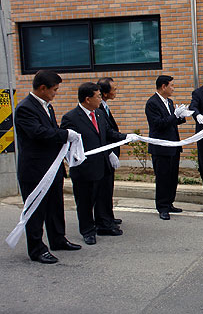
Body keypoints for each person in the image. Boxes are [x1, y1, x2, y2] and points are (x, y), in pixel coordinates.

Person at [15, 70, 81, 264]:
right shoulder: (25, 108)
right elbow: (39, 133)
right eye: (54, 89)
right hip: (35, 170)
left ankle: (58, 239)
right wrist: (65, 135)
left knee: (55, 205)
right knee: (36, 210)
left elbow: (51, 130)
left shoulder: (47, 107)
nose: (56, 93)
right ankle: (36, 249)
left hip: (52, 167)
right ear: (42, 88)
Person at [61, 82, 128, 245]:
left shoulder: (98, 114)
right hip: (85, 168)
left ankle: (104, 225)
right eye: (98, 96)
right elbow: (67, 145)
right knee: (85, 201)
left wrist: (127, 137)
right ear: (87, 99)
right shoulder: (71, 118)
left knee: (103, 197)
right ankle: (87, 231)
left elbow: (108, 133)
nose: (100, 99)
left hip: (103, 164)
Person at [146, 75, 191, 220]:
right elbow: (158, 124)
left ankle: (170, 203)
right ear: (163, 86)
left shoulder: (169, 102)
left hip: (173, 145)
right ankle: (162, 207)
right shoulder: (152, 103)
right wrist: (174, 116)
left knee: (172, 177)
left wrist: (182, 116)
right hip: (160, 147)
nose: (173, 88)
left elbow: (172, 122)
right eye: (171, 85)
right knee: (163, 177)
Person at [97, 77, 122, 226]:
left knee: (109, 187)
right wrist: (109, 152)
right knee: (103, 189)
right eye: (113, 89)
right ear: (105, 93)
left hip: (110, 152)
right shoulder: (98, 109)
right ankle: (103, 219)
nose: (115, 92)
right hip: (104, 154)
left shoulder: (105, 107)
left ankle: (109, 216)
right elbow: (104, 133)